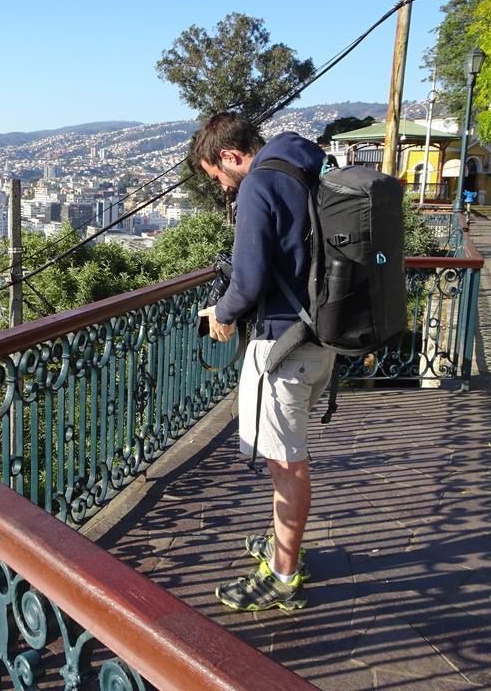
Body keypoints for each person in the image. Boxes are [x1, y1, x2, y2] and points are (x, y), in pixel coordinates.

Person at [194, 112, 335, 613]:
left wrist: (224, 314)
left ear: (229, 157)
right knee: (288, 455)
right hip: (321, 337)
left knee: (286, 461)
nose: (224, 189)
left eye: (218, 177)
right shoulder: (308, 167)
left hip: (283, 344)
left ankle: (283, 574)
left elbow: (250, 279)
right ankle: (283, 546)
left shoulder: (260, 184)